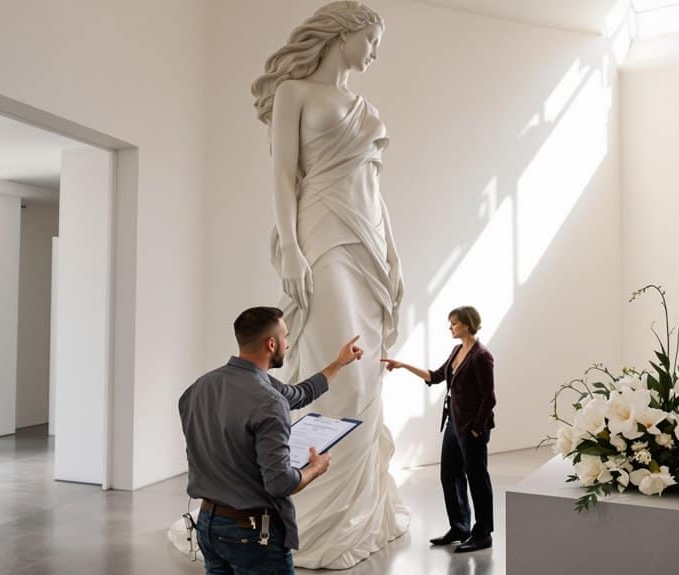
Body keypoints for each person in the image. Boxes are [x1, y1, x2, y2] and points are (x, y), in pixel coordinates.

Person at [249, 1, 408, 568]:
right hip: (320, 231)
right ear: (342, 36)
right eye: (369, 41)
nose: (374, 53)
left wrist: (393, 254)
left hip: (367, 240)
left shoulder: (366, 108)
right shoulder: (295, 92)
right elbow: (281, 175)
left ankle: (356, 509)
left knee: (365, 371)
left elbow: (375, 191)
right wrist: (290, 246)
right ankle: (311, 509)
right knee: (337, 369)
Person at [178, 306, 363, 574]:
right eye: (286, 336)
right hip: (253, 535)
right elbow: (280, 483)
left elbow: (301, 393)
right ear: (272, 343)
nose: (288, 344)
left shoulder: (198, 388)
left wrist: (339, 362)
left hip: (207, 525)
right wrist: (315, 468)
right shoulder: (269, 400)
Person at [381, 306, 496, 553]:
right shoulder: (457, 351)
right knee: (450, 475)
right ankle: (460, 527)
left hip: (472, 428)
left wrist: (476, 430)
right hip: (454, 424)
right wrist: (402, 365)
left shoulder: (481, 356)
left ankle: (483, 532)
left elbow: (489, 398)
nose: (450, 327)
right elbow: (435, 377)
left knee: (477, 479)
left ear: (467, 324)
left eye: (454, 323)